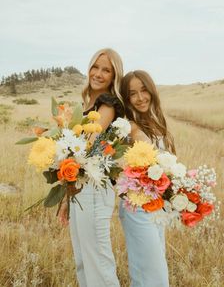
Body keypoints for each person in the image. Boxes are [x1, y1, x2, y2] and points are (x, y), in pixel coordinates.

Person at [58, 48, 124, 287]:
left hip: (95, 188)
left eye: (106, 70)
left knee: (98, 263)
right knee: (83, 260)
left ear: (114, 75)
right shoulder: (88, 102)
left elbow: (88, 146)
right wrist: (66, 197)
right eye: (95, 67)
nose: (98, 73)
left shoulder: (107, 104)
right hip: (80, 187)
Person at [119, 70, 176, 287]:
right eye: (133, 94)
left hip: (155, 206)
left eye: (144, 90)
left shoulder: (154, 122)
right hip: (137, 208)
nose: (140, 98)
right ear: (126, 99)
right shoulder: (130, 127)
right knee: (152, 276)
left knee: (152, 273)